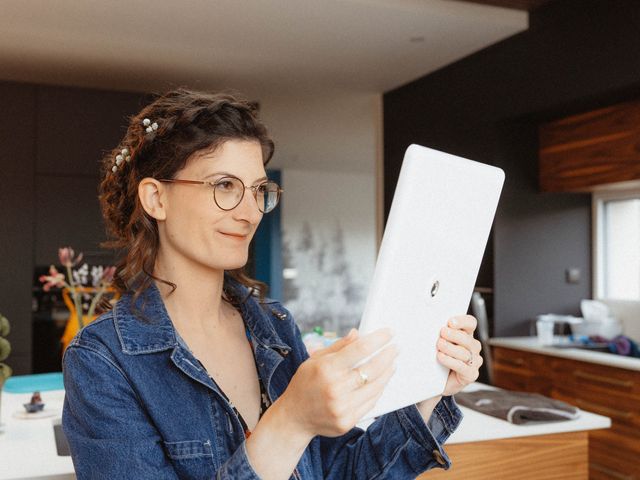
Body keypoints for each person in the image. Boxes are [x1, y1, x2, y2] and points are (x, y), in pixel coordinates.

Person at [62, 88, 483, 479]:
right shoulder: (103, 361)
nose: (249, 212)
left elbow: (340, 470)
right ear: (156, 198)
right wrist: (290, 420)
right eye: (225, 186)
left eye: (259, 190)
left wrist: (428, 387)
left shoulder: (274, 326)